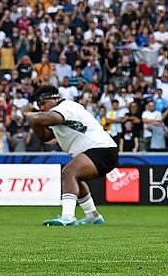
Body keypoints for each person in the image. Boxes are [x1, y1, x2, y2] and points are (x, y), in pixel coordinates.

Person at [23, 85, 118, 226]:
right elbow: (44, 136)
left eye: (43, 103)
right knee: (75, 179)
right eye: (39, 105)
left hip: (100, 149)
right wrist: (35, 120)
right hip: (101, 150)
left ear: (54, 99)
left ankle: (68, 217)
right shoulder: (56, 111)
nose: (41, 108)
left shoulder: (66, 106)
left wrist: (31, 115)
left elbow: (51, 118)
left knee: (69, 172)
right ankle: (93, 215)